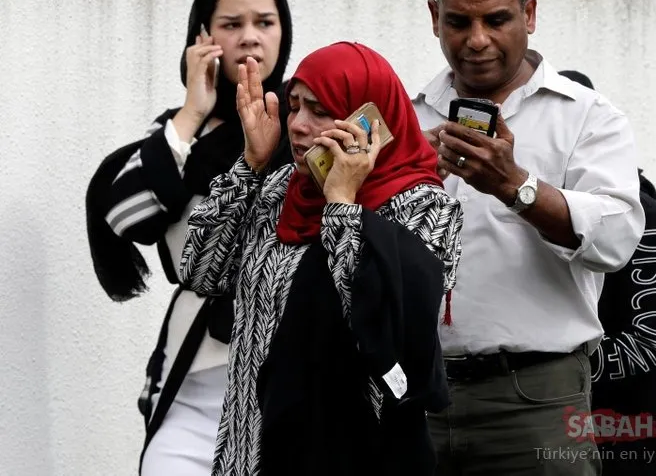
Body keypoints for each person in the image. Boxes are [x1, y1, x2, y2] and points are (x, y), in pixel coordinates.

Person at [411, 0, 646, 475]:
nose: (477, 40)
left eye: (496, 19)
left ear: (530, 12)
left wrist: (515, 185)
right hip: (416, 394)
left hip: (537, 397)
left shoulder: (586, 116)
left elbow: (615, 240)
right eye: (458, 22)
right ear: (433, 16)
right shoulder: (405, 116)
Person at [179, 42, 463, 476]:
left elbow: (387, 329)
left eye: (320, 110)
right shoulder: (281, 190)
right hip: (250, 450)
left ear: (369, 120)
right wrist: (251, 164)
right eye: (294, 107)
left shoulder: (424, 206)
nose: (298, 125)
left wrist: (342, 205)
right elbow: (201, 271)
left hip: (352, 454)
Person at [85, 0, 294, 475]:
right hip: (193, 385)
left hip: (289, 377)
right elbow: (124, 215)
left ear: (283, 32)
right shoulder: (180, 137)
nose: (250, 38)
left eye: (264, 23)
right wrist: (192, 111)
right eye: (231, 24)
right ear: (202, 36)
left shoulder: (307, 122)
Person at [560, 71, 656, 476]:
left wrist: (540, 369)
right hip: (571, 432)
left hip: (642, 439)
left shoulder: (642, 217)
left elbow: (643, 343)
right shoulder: (548, 215)